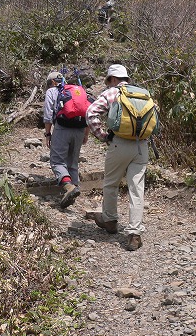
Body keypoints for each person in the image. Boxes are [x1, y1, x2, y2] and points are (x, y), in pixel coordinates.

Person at [86, 64, 150, 251]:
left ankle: (110, 220)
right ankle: (134, 234)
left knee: (111, 183)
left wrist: (102, 136)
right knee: (136, 189)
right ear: (126, 78)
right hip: (141, 146)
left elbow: (90, 113)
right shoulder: (143, 93)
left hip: (119, 143)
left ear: (113, 79)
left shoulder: (112, 93)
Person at [43, 71, 89, 208]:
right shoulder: (76, 91)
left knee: (57, 160)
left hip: (63, 128)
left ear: (52, 82)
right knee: (72, 161)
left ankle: (69, 188)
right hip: (80, 128)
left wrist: (47, 133)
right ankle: (73, 192)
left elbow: (48, 113)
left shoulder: (52, 91)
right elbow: (88, 111)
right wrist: (86, 134)